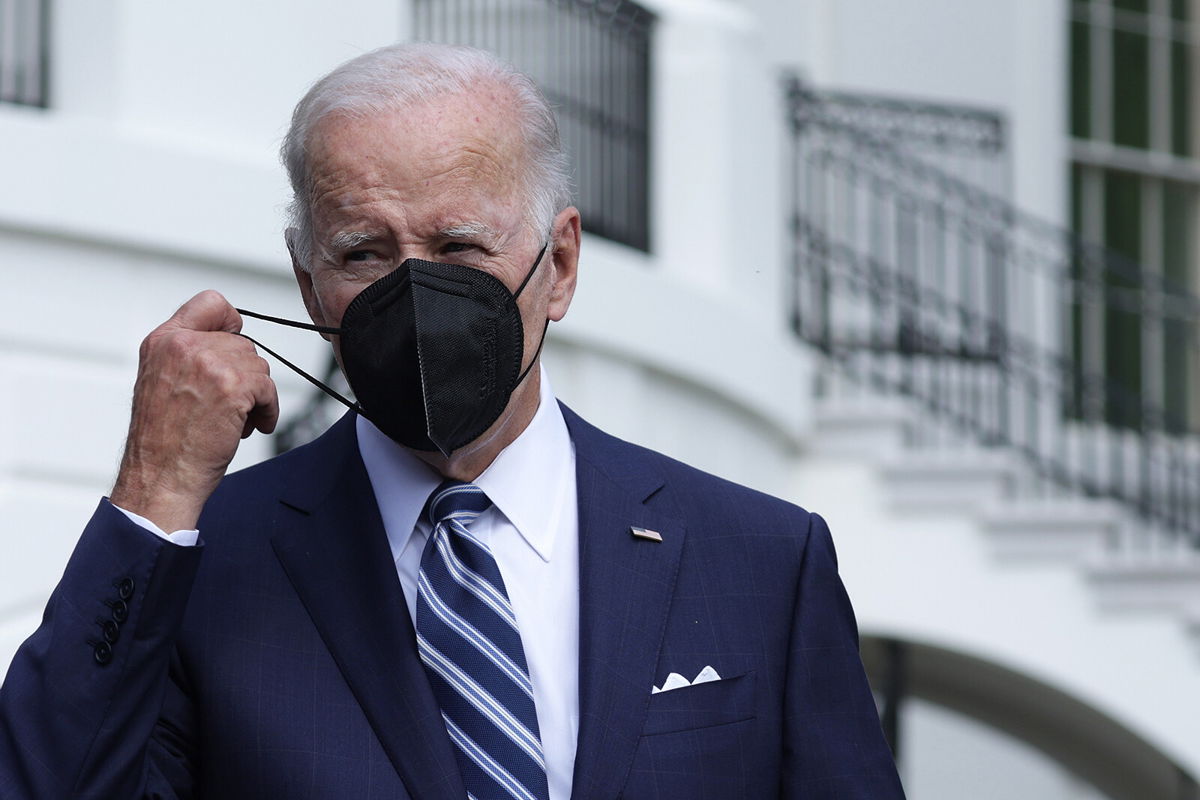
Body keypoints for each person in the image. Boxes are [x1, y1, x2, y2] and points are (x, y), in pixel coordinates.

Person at [0, 43, 904, 799]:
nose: (416, 286)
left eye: (460, 247)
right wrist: (153, 495)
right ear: (311, 289)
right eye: (365, 252)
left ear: (559, 264)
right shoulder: (203, 567)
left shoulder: (756, 558)